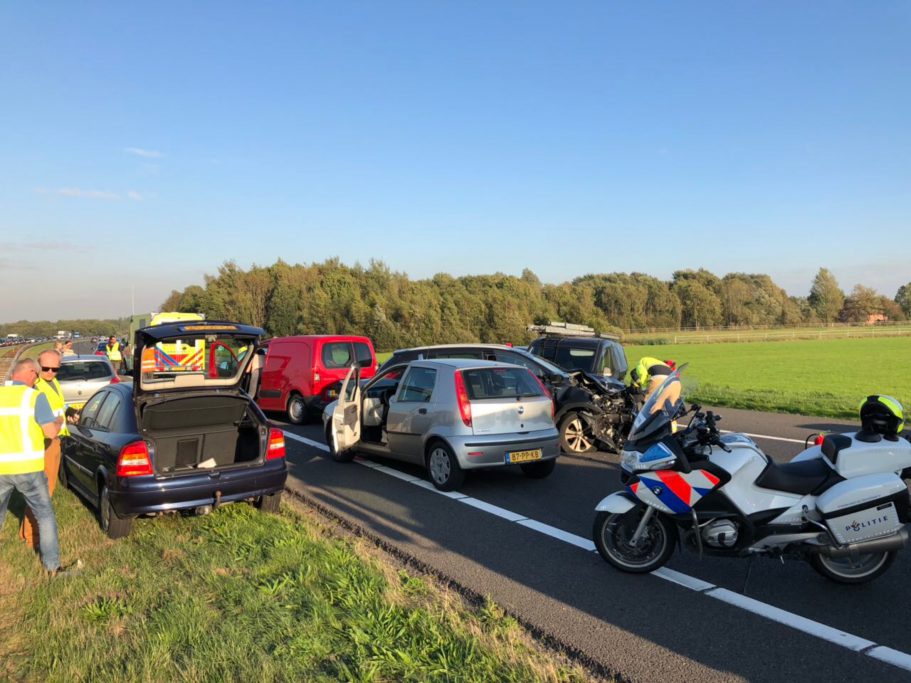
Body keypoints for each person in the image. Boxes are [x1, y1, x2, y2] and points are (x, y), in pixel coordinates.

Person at [0, 359, 65, 575]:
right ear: (29, 372)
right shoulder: (35, 397)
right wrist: (58, 422)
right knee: (44, 515)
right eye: (36, 375)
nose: (37, 379)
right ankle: (52, 567)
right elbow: (50, 433)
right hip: (28, 468)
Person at [19, 350, 68, 547]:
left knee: (47, 489)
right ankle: (33, 537)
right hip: (43, 443)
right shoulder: (35, 386)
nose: (49, 372)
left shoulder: (53, 383)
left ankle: (28, 532)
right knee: (42, 492)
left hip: (55, 440)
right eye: (45, 368)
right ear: (38, 366)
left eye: (54, 369)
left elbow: (57, 408)